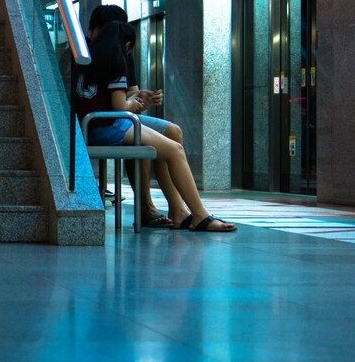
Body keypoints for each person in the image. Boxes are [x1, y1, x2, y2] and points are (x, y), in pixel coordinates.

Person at [75, 20, 235, 232]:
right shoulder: (116, 60)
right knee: (175, 150)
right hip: (109, 126)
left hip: (89, 127)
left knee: (168, 144)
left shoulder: (87, 61)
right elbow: (119, 105)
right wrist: (133, 103)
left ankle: (181, 212)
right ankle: (200, 216)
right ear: (127, 44)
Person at [84, 4, 183, 228]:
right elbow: (119, 103)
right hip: (106, 120)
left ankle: (177, 206)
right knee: (141, 135)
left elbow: (129, 94)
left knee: (172, 131)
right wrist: (131, 104)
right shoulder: (84, 52)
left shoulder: (121, 50)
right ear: (98, 28)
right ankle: (146, 205)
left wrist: (142, 99)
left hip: (120, 115)